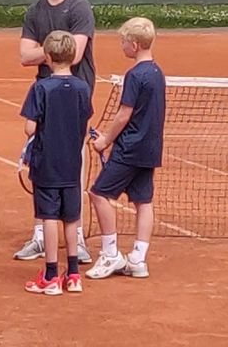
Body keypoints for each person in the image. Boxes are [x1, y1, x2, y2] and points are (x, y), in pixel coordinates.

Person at [15, 0, 95, 264]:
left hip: (75, 96)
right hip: (45, 95)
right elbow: (24, 56)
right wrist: (54, 52)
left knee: (74, 162)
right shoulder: (36, 11)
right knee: (41, 162)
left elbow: (74, 54)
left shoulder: (79, 8)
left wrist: (43, 52)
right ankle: (40, 234)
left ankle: (77, 238)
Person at [86, 17, 165, 280]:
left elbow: (124, 114)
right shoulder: (157, 73)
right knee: (144, 201)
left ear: (134, 44)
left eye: (123, 41)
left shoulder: (134, 75)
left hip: (129, 150)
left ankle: (111, 254)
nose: (121, 45)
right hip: (149, 150)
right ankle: (138, 259)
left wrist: (104, 141)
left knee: (98, 194)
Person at [21, 31, 93, 295]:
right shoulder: (82, 88)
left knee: (49, 217)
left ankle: (51, 275)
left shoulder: (41, 88)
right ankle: (73, 275)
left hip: (47, 164)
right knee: (71, 218)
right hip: (72, 164)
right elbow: (84, 123)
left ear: (48, 58)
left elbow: (30, 128)